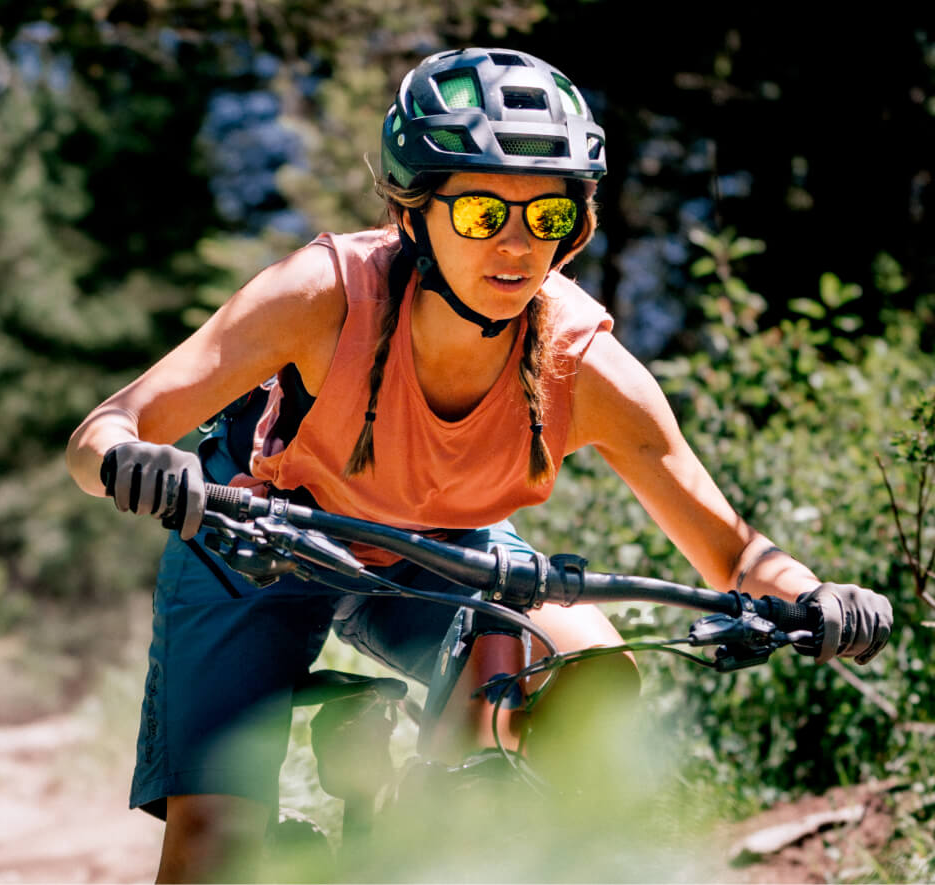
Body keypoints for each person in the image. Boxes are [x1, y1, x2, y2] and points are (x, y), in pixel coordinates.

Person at [66, 47, 892, 882]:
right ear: (414, 214)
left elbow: (734, 554)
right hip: (259, 541)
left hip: (438, 551)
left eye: (548, 218)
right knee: (213, 853)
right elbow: (105, 428)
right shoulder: (321, 296)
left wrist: (818, 595)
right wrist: (137, 461)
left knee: (587, 676)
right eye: (480, 215)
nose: (516, 244)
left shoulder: (584, 363)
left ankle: (415, 828)